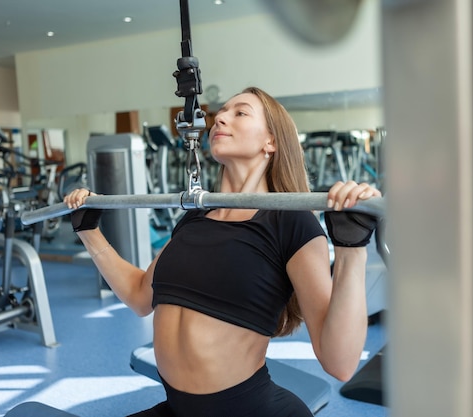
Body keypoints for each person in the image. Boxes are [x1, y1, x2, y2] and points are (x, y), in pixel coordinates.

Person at [64, 86, 381, 417]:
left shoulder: (292, 222)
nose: (220, 119)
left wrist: (351, 248)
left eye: (240, 112)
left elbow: (340, 363)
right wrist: (88, 230)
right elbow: (140, 295)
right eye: (221, 113)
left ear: (270, 142)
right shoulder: (195, 217)